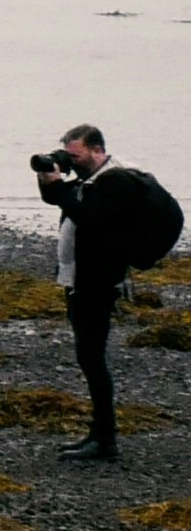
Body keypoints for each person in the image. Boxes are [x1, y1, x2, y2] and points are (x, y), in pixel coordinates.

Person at [35, 125, 182, 461]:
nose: (71, 161)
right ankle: (99, 435)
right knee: (89, 358)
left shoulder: (115, 181)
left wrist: (60, 187)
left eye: (75, 155)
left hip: (97, 282)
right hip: (81, 278)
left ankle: (105, 440)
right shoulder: (96, 178)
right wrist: (48, 177)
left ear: (97, 150)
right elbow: (59, 199)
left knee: (92, 358)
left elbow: (89, 217)